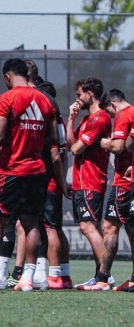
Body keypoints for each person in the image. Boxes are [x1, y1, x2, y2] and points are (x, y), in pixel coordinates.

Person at [0, 58, 63, 292]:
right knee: (31, 222)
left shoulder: (8, 98)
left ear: (8, 76)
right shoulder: (46, 100)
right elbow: (54, 139)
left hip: (12, 169)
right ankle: (28, 278)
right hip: (37, 170)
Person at [66, 77, 112, 290]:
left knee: (87, 226)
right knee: (91, 226)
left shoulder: (99, 119)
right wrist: (71, 118)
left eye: (79, 94)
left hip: (91, 181)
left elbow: (76, 149)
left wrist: (75, 142)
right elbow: (70, 144)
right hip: (81, 181)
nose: (77, 99)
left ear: (89, 94)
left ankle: (105, 275)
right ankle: (99, 276)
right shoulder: (85, 120)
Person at [36, 81, 72, 290]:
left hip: (49, 182)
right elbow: (63, 158)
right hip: (55, 181)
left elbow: (56, 157)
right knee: (56, 229)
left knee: (49, 229)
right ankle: (65, 275)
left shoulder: (51, 123)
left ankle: (54, 276)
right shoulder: (61, 122)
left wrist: (59, 180)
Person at [98, 89, 134, 289]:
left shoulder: (123, 114)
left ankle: (102, 279)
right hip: (128, 180)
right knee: (124, 228)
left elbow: (120, 147)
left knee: (115, 227)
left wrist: (107, 143)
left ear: (112, 105)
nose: (112, 118)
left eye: (110, 114)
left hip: (124, 182)